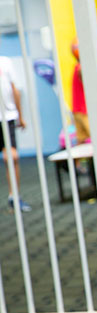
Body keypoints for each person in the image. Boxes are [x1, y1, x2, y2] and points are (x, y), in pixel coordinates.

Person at [0, 54, 29, 212]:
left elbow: (14, 89)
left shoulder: (5, 62)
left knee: (12, 157)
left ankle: (14, 196)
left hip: (7, 118)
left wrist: (20, 116)